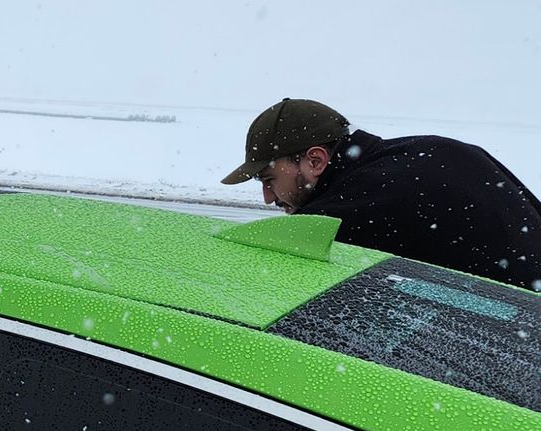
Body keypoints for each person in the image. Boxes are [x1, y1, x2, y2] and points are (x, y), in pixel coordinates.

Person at [222, 98, 541, 290]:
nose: (267, 196)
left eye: (268, 179)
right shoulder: (436, 149)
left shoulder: (343, 215)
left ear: (316, 160)